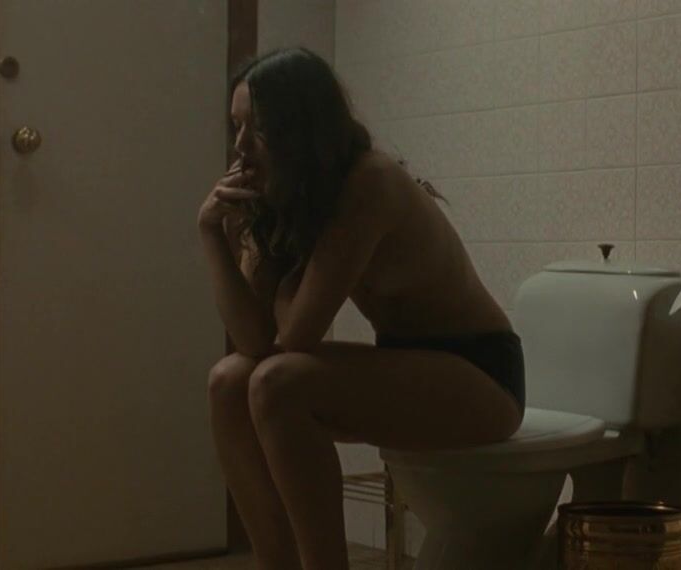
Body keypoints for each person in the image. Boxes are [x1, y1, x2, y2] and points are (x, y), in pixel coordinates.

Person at [196, 47, 525, 570]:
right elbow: (251, 342)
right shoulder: (293, 194)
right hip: (412, 367)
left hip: (482, 376)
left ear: (299, 130)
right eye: (236, 127)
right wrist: (213, 232)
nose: (240, 147)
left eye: (257, 129)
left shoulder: (370, 182)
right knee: (228, 381)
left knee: (277, 382)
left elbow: (295, 336)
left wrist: (277, 258)